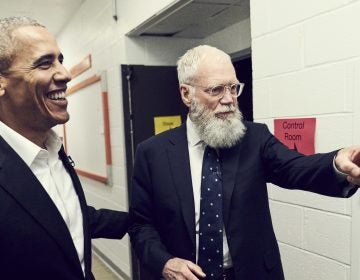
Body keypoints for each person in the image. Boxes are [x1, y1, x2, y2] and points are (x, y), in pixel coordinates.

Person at [129, 45, 360, 280]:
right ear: (186, 94)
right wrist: (165, 262)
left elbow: (296, 167)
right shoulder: (152, 153)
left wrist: (337, 163)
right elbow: (141, 225)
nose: (229, 99)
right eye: (216, 89)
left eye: (233, 88)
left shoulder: (255, 139)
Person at [0, 16, 128, 280]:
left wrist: (138, 219)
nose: (66, 74)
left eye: (60, 60)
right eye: (45, 63)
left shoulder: (53, 149)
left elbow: (60, 216)